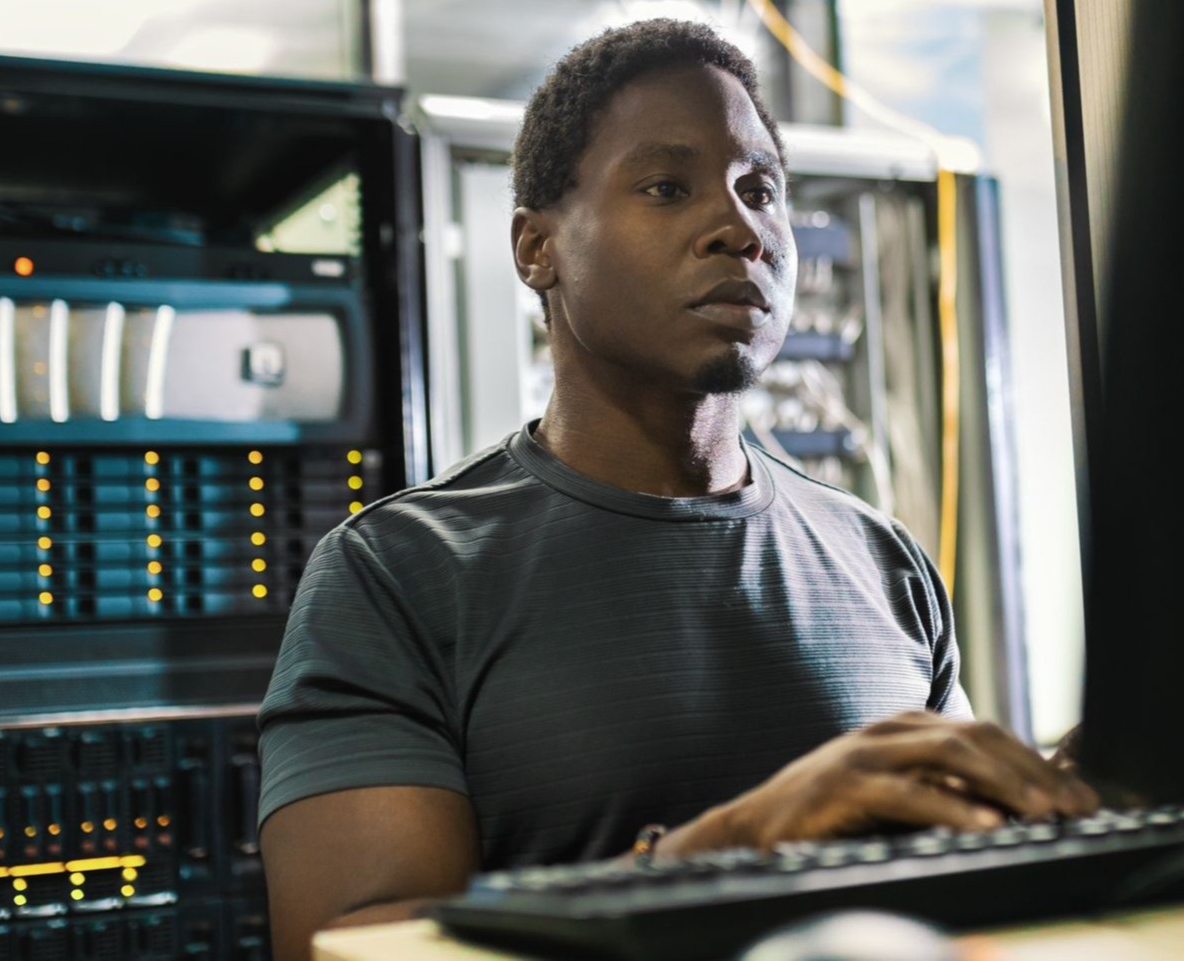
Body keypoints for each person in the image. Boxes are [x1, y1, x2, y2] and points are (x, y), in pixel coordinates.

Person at [256, 18, 1098, 959]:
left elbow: (961, 877)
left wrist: (1069, 802)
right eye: (666, 187)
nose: (739, 229)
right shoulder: (396, 573)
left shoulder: (879, 556)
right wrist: (730, 847)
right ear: (536, 248)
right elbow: (341, 946)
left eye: (760, 190)